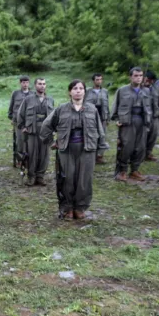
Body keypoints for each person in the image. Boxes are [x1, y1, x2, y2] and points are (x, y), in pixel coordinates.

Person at [39, 80, 104, 220]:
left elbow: (100, 130)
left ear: (85, 92)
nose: (78, 91)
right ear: (70, 92)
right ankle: (67, 208)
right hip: (66, 149)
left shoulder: (92, 109)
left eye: (81, 88)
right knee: (66, 178)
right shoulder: (61, 109)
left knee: (84, 180)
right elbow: (46, 126)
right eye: (75, 88)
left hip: (87, 149)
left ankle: (80, 208)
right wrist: (51, 142)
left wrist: (100, 150)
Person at [111, 67, 152, 182]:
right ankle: (122, 171)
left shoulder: (147, 91)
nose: (138, 78)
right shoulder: (122, 90)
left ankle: (135, 170)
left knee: (140, 147)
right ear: (130, 77)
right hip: (127, 121)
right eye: (136, 76)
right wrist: (116, 119)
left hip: (142, 121)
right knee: (126, 146)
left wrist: (149, 121)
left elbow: (150, 107)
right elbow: (115, 105)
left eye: (140, 76)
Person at [15, 77, 54, 186]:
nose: (42, 86)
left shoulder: (50, 100)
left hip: (45, 131)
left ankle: (40, 176)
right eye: (40, 83)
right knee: (31, 154)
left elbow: (53, 117)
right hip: (32, 130)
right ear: (35, 85)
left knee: (44, 154)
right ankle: (31, 176)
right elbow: (20, 114)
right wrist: (22, 126)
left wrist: (53, 129)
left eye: (44, 84)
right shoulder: (28, 99)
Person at [8, 76, 32, 167]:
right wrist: (12, 118)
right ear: (20, 83)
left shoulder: (32, 94)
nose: (25, 84)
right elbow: (11, 107)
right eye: (23, 82)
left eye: (26, 82)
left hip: (29, 122)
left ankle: (28, 159)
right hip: (18, 122)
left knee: (29, 141)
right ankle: (20, 159)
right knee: (20, 141)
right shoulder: (15, 94)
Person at [86, 73, 110, 164]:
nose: (99, 81)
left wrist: (107, 118)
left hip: (102, 115)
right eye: (97, 79)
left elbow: (107, 105)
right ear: (93, 81)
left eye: (100, 79)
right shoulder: (87, 91)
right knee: (91, 135)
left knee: (102, 136)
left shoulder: (105, 91)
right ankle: (91, 155)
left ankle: (99, 156)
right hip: (91, 116)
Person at [143, 72, 159, 162]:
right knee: (142, 137)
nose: (148, 82)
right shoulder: (139, 89)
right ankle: (139, 155)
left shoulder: (156, 88)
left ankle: (148, 153)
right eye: (146, 80)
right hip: (143, 117)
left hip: (154, 116)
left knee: (153, 136)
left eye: (150, 80)